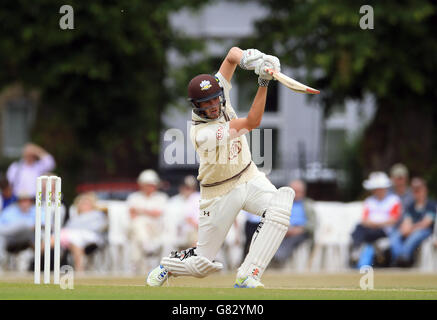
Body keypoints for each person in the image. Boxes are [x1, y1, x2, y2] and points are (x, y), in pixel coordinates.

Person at [147, 47, 295, 288]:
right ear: (196, 106)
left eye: (215, 99)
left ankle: (248, 275)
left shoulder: (218, 88)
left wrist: (252, 60)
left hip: (248, 176)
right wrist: (263, 82)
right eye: (206, 103)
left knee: (281, 206)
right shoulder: (203, 132)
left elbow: (231, 55)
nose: (213, 106)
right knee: (202, 265)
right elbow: (252, 122)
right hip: (219, 193)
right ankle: (168, 265)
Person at [350, 171, 401, 267]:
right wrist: (372, 224)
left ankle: (361, 252)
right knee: (358, 228)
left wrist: (377, 224)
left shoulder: (394, 200)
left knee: (368, 234)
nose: (377, 191)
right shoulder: (369, 201)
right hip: (370, 228)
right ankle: (357, 249)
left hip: (385, 230)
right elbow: (364, 219)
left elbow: (394, 219)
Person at [127, 169, 168, 273]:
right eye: (147, 184)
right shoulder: (134, 197)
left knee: (139, 224)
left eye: (152, 185)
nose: (150, 187)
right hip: (139, 230)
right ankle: (147, 248)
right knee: (138, 226)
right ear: (141, 185)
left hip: (156, 229)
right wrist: (148, 213)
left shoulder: (161, 197)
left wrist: (140, 210)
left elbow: (158, 213)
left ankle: (137, 265)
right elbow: (131, 215)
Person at [389, 178, 436, 267]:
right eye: (415, 190)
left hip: (425, 231)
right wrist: (405, 229)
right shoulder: (411, 206)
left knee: (416, 235)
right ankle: (399, 258)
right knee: (395, 234)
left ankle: (404, 257)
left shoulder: (431, 204)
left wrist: (410, 228)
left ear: (425, 190)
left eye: (419, 189)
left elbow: (426, 223)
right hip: (412, 229)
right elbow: (407, 221)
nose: (417, 192)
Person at [55, 192, 107, 272]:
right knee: (70, 238)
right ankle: (40, 262)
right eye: (82, 204)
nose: (84, 206)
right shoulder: (75, 217)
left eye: (86, 203)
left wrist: (80, 230)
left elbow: (98, 227)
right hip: (72, 237)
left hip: (91, 237)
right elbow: (68, 227)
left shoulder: (97, 215)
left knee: (74, 238)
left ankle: (79, 269)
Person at [272, 179, 316, 267]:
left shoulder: (308, 204)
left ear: (304, 192)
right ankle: (271, 257)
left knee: (292, 239)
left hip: (302, 232)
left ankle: (278, 257)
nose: (296, 194)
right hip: (283, 229)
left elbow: (313, 224)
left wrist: (300, 229)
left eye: (299, 192)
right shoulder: (283, 203)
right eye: (294, 191)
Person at [0, 192, 37, 265]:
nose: (24, 203)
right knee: (1, 237)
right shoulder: (10, 210)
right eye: (21, 201)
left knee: (24, 225)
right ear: (18, 202)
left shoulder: (37, 210)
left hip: (29, 237)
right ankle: (2, 260)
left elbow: (42, 224)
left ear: (30, 201)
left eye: (26, 200)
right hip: (10, 238)